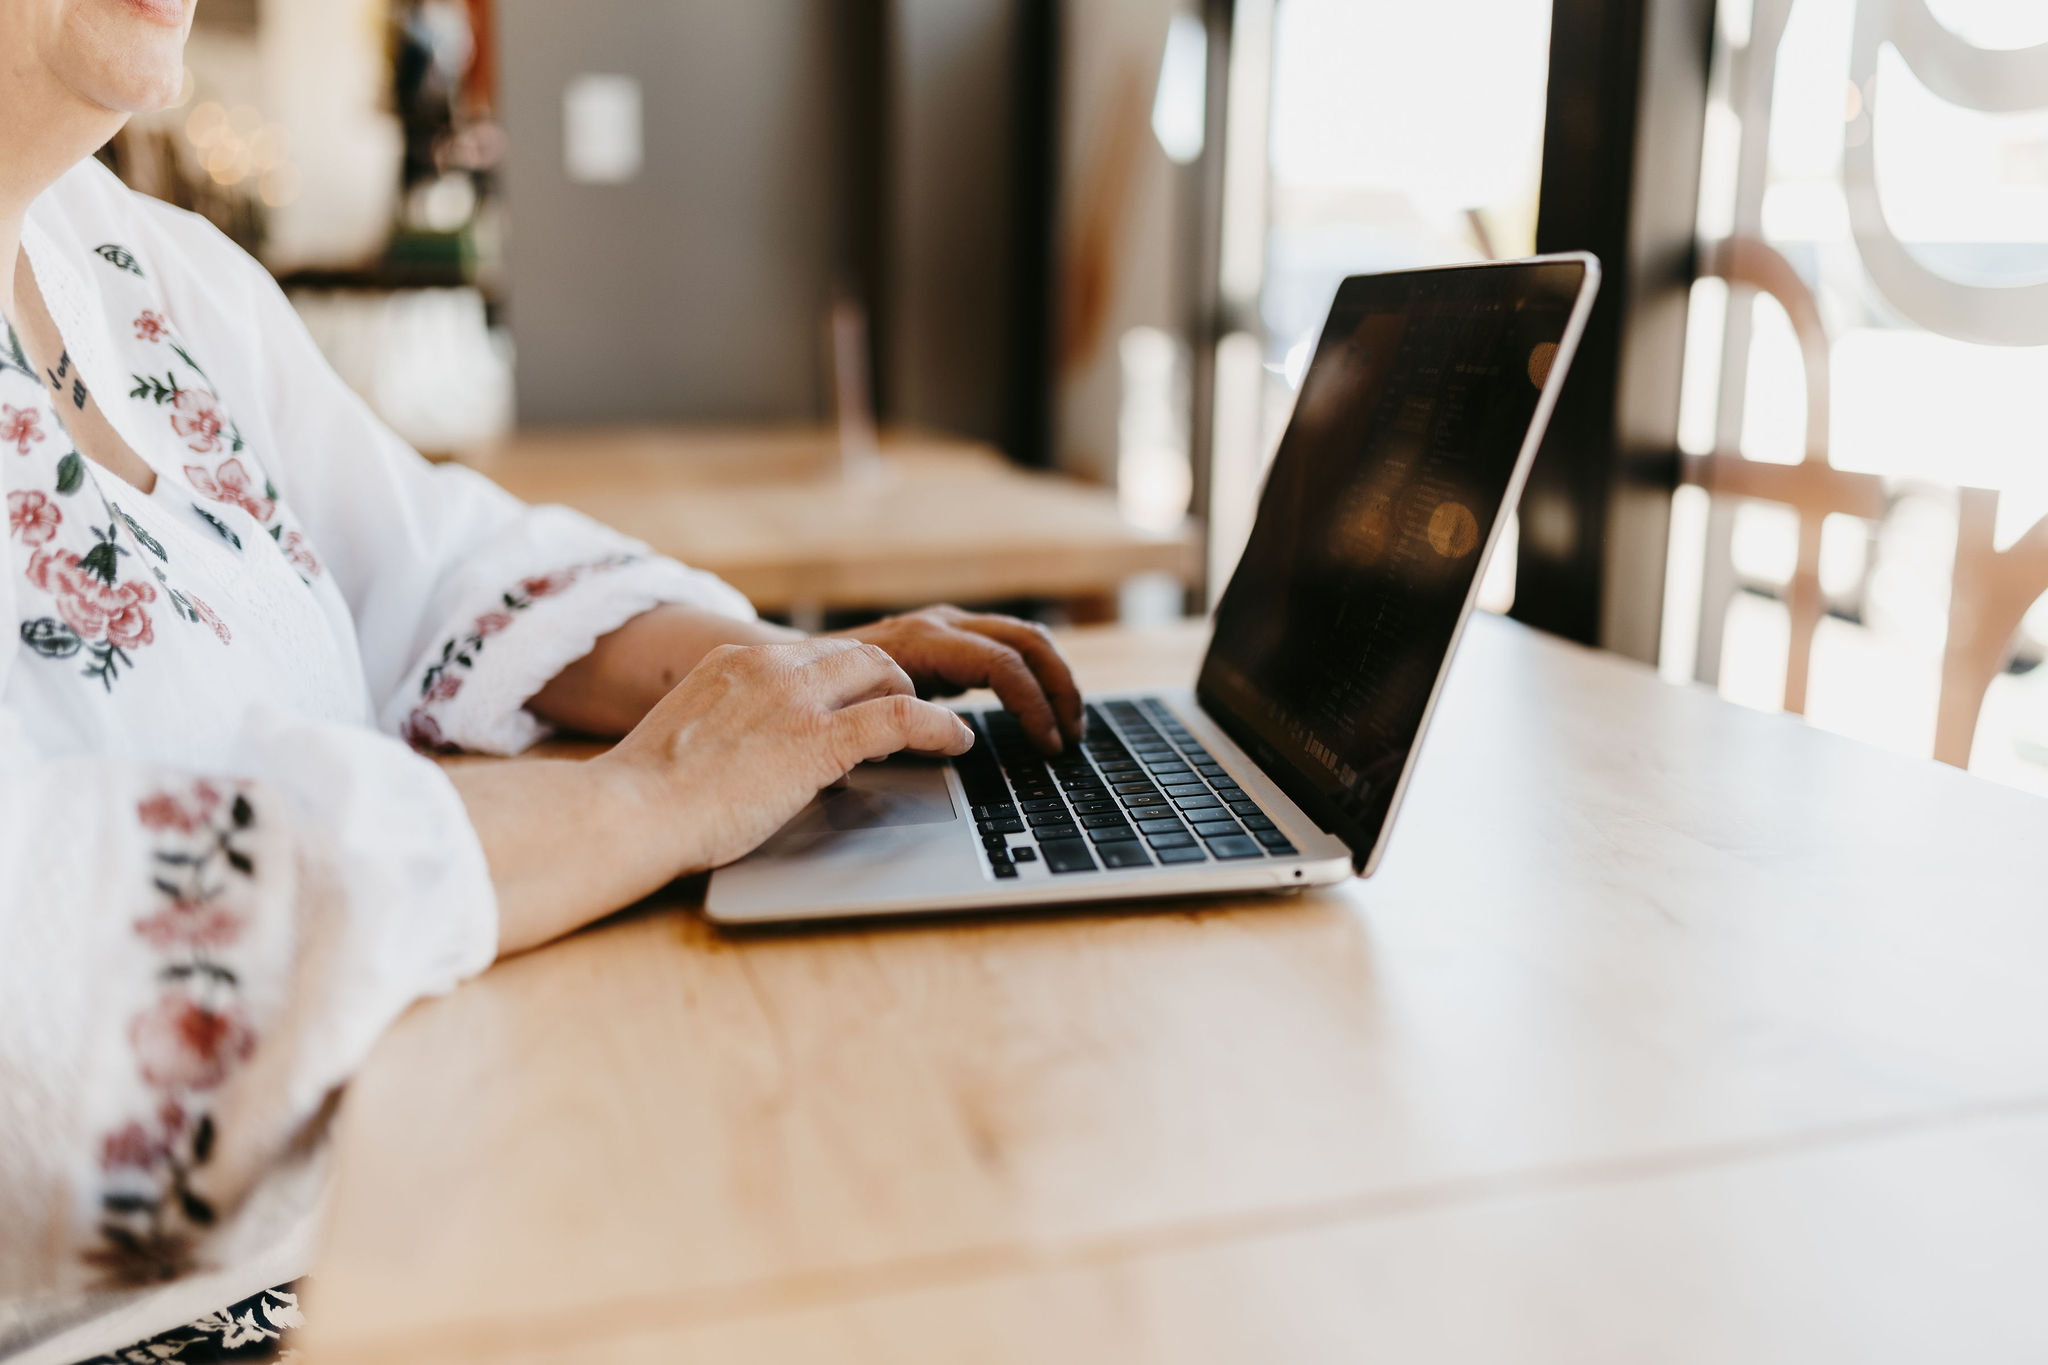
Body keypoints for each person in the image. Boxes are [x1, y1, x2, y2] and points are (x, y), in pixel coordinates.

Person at [0, 2, 1084, 1360]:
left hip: (387, 1172)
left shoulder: (138, 258)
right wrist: (650, 798)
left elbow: (420, 552)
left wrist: (780, 677)